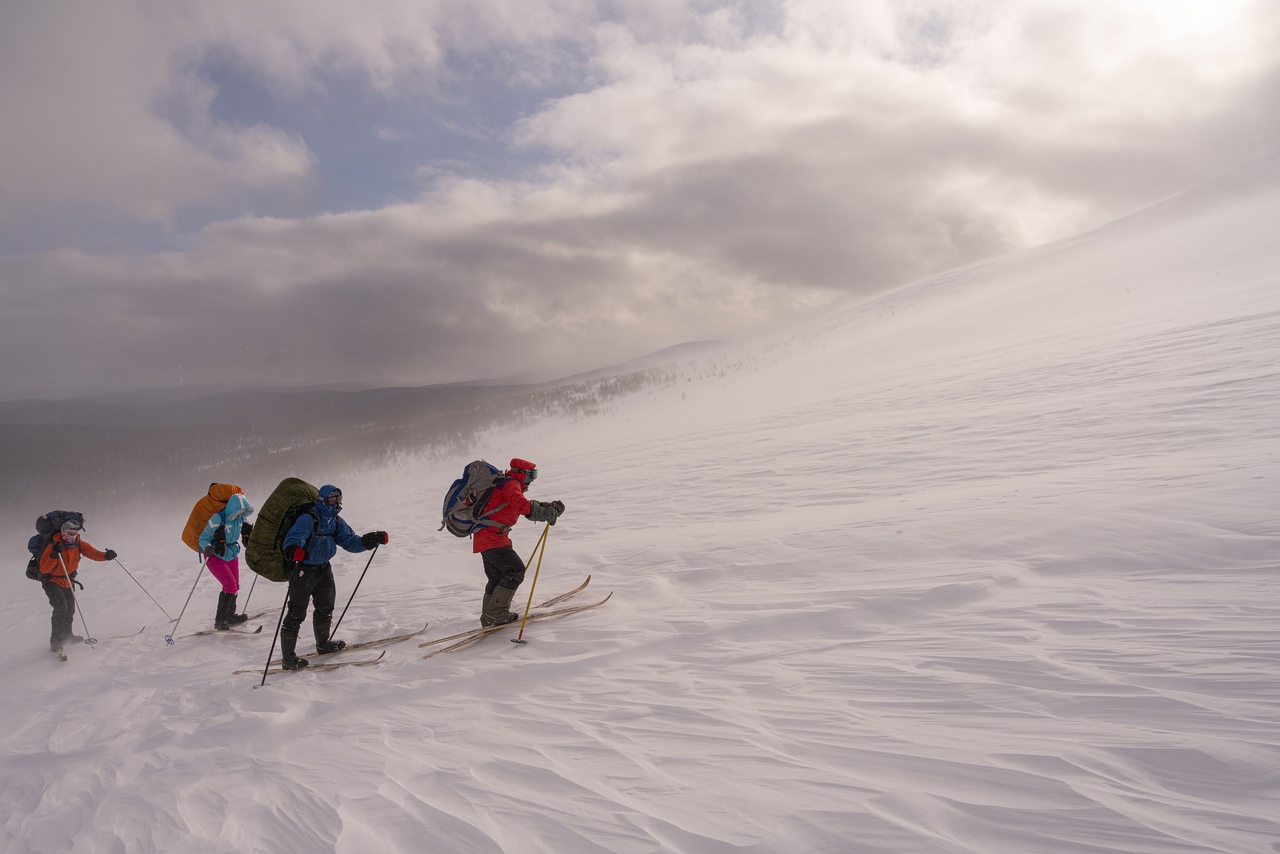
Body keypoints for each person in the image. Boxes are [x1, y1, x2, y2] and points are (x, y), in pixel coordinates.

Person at [279, 485, 388, 670]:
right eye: (332, 499)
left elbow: (351, 541)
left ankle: (323, 644)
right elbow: (292, 539)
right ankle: (288, 658)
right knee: (296, 613)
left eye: (339, 498)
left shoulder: (335, 521)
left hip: (323, 568)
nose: (337, 502)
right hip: (302, 570)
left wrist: (370, 540)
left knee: (325, 606)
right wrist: (294, 551)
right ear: (322, 500)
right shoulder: (308, 519)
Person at [473, 458, 565, 627]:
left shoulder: (504, 484)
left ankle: (489, 616)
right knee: (515, 571)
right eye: (531, 477)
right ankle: (495, 614)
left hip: (485, 537)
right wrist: (546, 513)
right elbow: (523, 506)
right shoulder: (510, 485)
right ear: (521, 474)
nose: (531, 482)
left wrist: (546, 508)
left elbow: (518, 504)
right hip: (493, 537)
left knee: (496, 576)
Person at [37, 518, 116, 655]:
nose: (71, 536)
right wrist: (54, 555)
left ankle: (68, 636)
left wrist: (106, 556)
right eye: (68, 533)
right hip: (51, 581)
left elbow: (93, 553)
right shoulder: (53, 545)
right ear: (62, 532)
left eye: (74, 533)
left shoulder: (79, 543)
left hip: (69, 580)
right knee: (61, 607)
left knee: (70, 609)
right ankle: (56, 642)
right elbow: (43, 569)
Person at [198, 491, 255, 630]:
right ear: (233, 508)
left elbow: (248, 530)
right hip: (215, 555)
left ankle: (229, 616)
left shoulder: (240, 519)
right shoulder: (218, 518)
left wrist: (251, 534)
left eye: (243, 511)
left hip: (231, 553)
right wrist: (207, 547)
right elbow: (203, 538)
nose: (241, 514)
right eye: (239, 511)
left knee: (235, 586)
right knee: (230, 585)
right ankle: (220, 620)